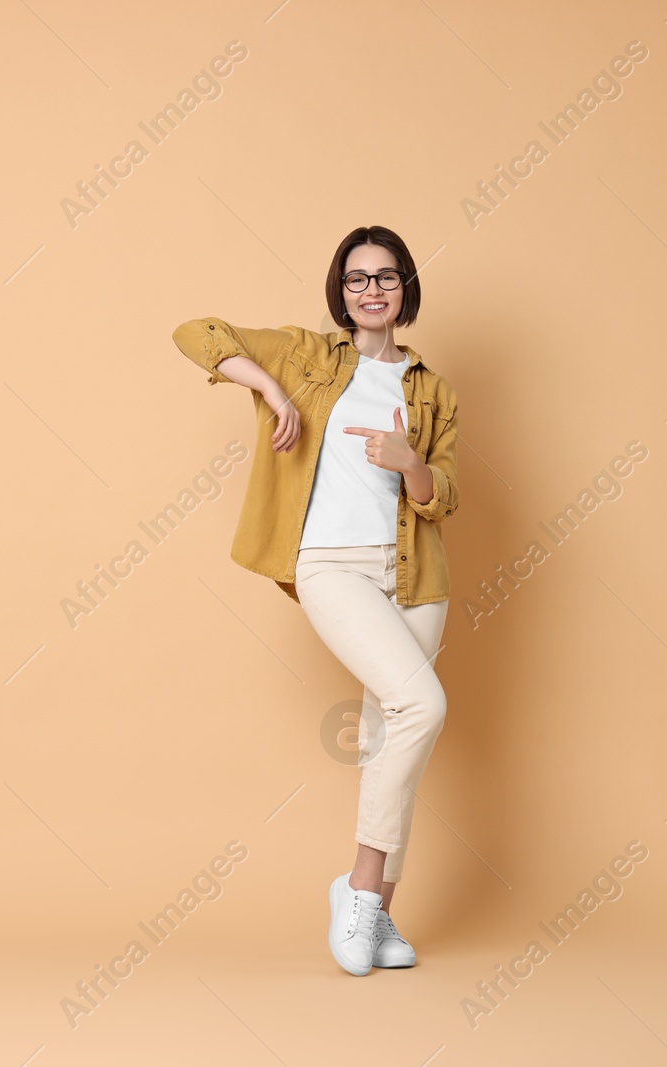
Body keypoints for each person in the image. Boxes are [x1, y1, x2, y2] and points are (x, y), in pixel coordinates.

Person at [170, 224, 460, 976]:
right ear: (340, 290)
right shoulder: (305, 355)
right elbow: (197, 332)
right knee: (421, 707)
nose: (372, 290)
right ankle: (361, 890)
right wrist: (267, 388)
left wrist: (412, 464)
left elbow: (445, 497)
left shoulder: (432, 388)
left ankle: (378, 912)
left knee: (390, 741)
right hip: (332, 565)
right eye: (357, 278)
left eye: (386, 277)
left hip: (416, 578)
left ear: (405, 289)